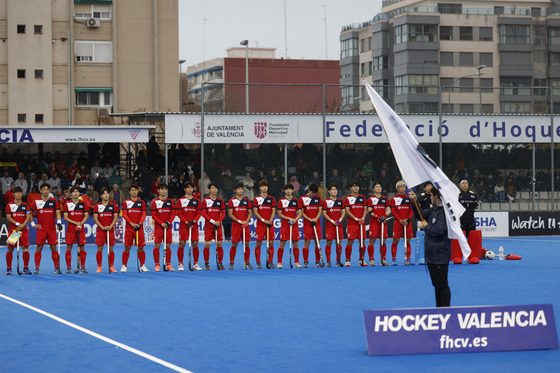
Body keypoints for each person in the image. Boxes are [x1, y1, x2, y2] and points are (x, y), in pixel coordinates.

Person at [418, 187, 452, 307]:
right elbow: (420, 214)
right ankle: (439, 310)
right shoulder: (434, 210)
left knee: (442, 284)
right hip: (433, 255)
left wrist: (426, 227)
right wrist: (413, 202)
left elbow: (438, 230)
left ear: (436, 196)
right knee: (437, 285)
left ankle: (445, 310)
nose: (430, 198)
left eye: (431, 195)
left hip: (440, 254)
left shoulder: (444, 212)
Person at [29, 183, 63, 274]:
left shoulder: (55, 201)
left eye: (47, 189)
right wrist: (33, 224)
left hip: (51, 229)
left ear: (49, 191)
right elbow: (29, 213)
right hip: (41, 229)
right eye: (44, 189)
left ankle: (56, 267)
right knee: (39, 248)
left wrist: (59, 223)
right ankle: (37, 268)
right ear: (40, 191)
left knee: (53, 248)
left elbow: (58, 213)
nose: (45, 191)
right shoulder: (36, 202)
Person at [62, 186, 90, 274]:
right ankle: (68, 267)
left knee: (82, 247)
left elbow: (86, 215)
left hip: (80, 228)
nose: (75, 193)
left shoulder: (83, 204)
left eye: (77, 191)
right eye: (74, 192)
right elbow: (65, 217)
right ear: (71, 194)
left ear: (79, 193)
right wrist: (75, 222)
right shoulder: (67, 204)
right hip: (71, 228)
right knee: (69, 247)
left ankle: (82, 267)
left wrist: (81, 223)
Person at [5, 186, 32, 275]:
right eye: (16, 193)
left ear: (22, 194)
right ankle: (9, 268)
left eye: (20, 193)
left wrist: (23, 225)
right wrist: (17, 224)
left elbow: (28, 217)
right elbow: (8, 217)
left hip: (23, 230)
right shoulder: (9, 205)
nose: (18, 194)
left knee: (25, 249)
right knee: (10, 249)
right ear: (13, 194)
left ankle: (26, 268)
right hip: (14, 231)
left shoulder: (26, 205)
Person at [121, 184, 148, 272]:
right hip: (129, 229)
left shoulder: (142, 203)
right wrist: (131, 223)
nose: (134, 192)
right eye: (132, 190)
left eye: (135, 190)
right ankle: (124, 266)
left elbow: (144, 214)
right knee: (127, 247)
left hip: (139, 228)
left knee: (140, 247)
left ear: (138, 191)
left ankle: (142, 265)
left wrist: (139, 223)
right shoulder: (126, 202)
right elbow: (124, 214)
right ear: (129, 192)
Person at [92, 187, 119, 273]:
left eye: (107, 193)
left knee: (111, 248)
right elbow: (95, 218)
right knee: (100, 248)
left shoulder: (113, 205)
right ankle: (99, 267)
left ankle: (111, 266)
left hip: (110, 230)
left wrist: (111, 226)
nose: (106, 195)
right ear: (101, 196)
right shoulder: (97, 206)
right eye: (104, 194)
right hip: (100, 230)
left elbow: (116, 217)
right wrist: (102, 227)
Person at [176, 182, 202, 271]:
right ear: (185, 189)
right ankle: (180, 264)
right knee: (182, 244)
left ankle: (195, 263)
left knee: (195, 244)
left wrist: (194, 221)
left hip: (194, 225)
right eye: (188, 188)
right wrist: (186, 221)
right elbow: (179, 213)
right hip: (184, 225)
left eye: (192, 187)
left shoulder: (197, 201)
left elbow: (199, 213)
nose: (190, 189)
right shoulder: (180, 200)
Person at [227, 183, 253, 269]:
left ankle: (247, 262)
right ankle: (231, 262)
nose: (240, 190)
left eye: (241, 189)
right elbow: (230, 214)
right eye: (238, 189)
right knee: (234, 244)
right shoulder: (232, 201)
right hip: (236, 225)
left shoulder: (246, 201)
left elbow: (250, 212)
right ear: (235, 191)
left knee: (246, 244)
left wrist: (246, 221)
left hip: (245, 225)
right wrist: (239, 221)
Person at [151, 183, 175, 271]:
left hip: (168, 227)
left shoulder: (170, 201)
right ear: (158, 191)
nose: (163, 191)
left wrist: (168, 222)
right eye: (161, 189)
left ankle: (168, 264)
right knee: (157, 245)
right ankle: (157, 265)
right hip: (158, 227)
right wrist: (161, 223)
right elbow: (154, 215)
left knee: (168, 245)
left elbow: (173, 214)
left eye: (164, 189)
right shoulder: (155, 202)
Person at [201, 183, 226, 270]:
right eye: (212, 188)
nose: (214, 190)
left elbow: (223, 213)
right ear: (209, 190)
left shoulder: (220, 201)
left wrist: (218, 221)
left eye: (215, 188)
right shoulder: (205, 201)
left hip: (218, 225)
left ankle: (220, 263)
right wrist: (212, 221)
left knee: (219, 244)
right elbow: (203, 213)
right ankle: (207, 264)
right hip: (209, 225)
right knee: (207, 244)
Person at [389, 180, 414, 266]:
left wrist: (408, 219)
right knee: (396, 240)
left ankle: (408, 258)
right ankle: (394, 259)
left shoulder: (409, 198)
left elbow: (412, 210)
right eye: (400, 187)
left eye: (403, 186)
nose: (402, 188)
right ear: (397, 188)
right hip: (398, 222)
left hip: (407, 223)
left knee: (407, 240)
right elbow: (393, 211)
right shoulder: (393, 199)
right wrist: (400, 220)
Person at [252, 180, 276, 269]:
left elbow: (273, 210)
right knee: (259, 243)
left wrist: (270, 220)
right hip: (260, 224)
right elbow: (255, 212)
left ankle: (270, 261)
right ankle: (258, 262)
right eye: (262, 186)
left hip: (270, 224)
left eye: (266, 186)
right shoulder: (257, 199)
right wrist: (263, 220)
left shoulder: (271, 199)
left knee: (271, 243)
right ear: (260, 188)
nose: (264, 187)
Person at [277, 184, 302, 268]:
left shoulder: (296, 201)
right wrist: (288, 218)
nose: (288, 191)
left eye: (290, 189)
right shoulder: (281, 201)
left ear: (292, 191)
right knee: (282, 243)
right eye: (286, 189)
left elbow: (300, 213)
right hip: (285, 225)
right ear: (284, 191)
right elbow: (279, 214)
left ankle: (297, 262)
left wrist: (295, 220)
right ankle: (279, 262)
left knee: (295, 243)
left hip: (294, 225)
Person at [298, 182, 323, 267]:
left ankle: (317, 261)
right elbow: (301, 212)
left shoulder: (318, 198)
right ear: (309, 190)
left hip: (317, 223)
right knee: (307, 242)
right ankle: (305, 261)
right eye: (312, 192)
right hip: (307, 224)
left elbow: (320, 210)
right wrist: (309, 219)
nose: (314, 194)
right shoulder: (302, 199)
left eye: (315, 193)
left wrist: (315, 219)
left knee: (318, 242)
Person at [343, 181, 367, 266]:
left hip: (361, 222)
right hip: (352, 223)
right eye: (354, 186)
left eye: (357, 186)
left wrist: (363, 218)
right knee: (350, 241)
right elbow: (347, 211)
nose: (356, 188)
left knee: (362, 241)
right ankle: (347, 260)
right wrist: (356, 219)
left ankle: (361, 260)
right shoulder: (348, 198)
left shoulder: (363, 197)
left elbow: (365, 209)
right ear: (350, 188)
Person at [367, 182, 391, 266]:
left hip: (383, 222)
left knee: (383, 240)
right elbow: (370, 211)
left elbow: (388, 210)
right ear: (373, 189)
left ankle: (383, 259)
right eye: (376, 187)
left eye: (380, 186)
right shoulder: (371, 199)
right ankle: (371, 259)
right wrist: (378, 217)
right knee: (372, 240)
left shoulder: (385, 199)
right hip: (374, 223)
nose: (378, 188)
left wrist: (384, 216)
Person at [322, 183, 346, 267]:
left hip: (339, 224)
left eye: (335, 190)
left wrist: (340, 220)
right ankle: (328, 261)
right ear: (329, 191)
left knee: (339, 242)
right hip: (330, 224)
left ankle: (338, 260)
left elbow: (343, 212)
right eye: (332, 190)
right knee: (329, 242)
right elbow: (324, 213)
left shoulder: (340, 201)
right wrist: (332, 221)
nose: (334, 191)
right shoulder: (326, 201)